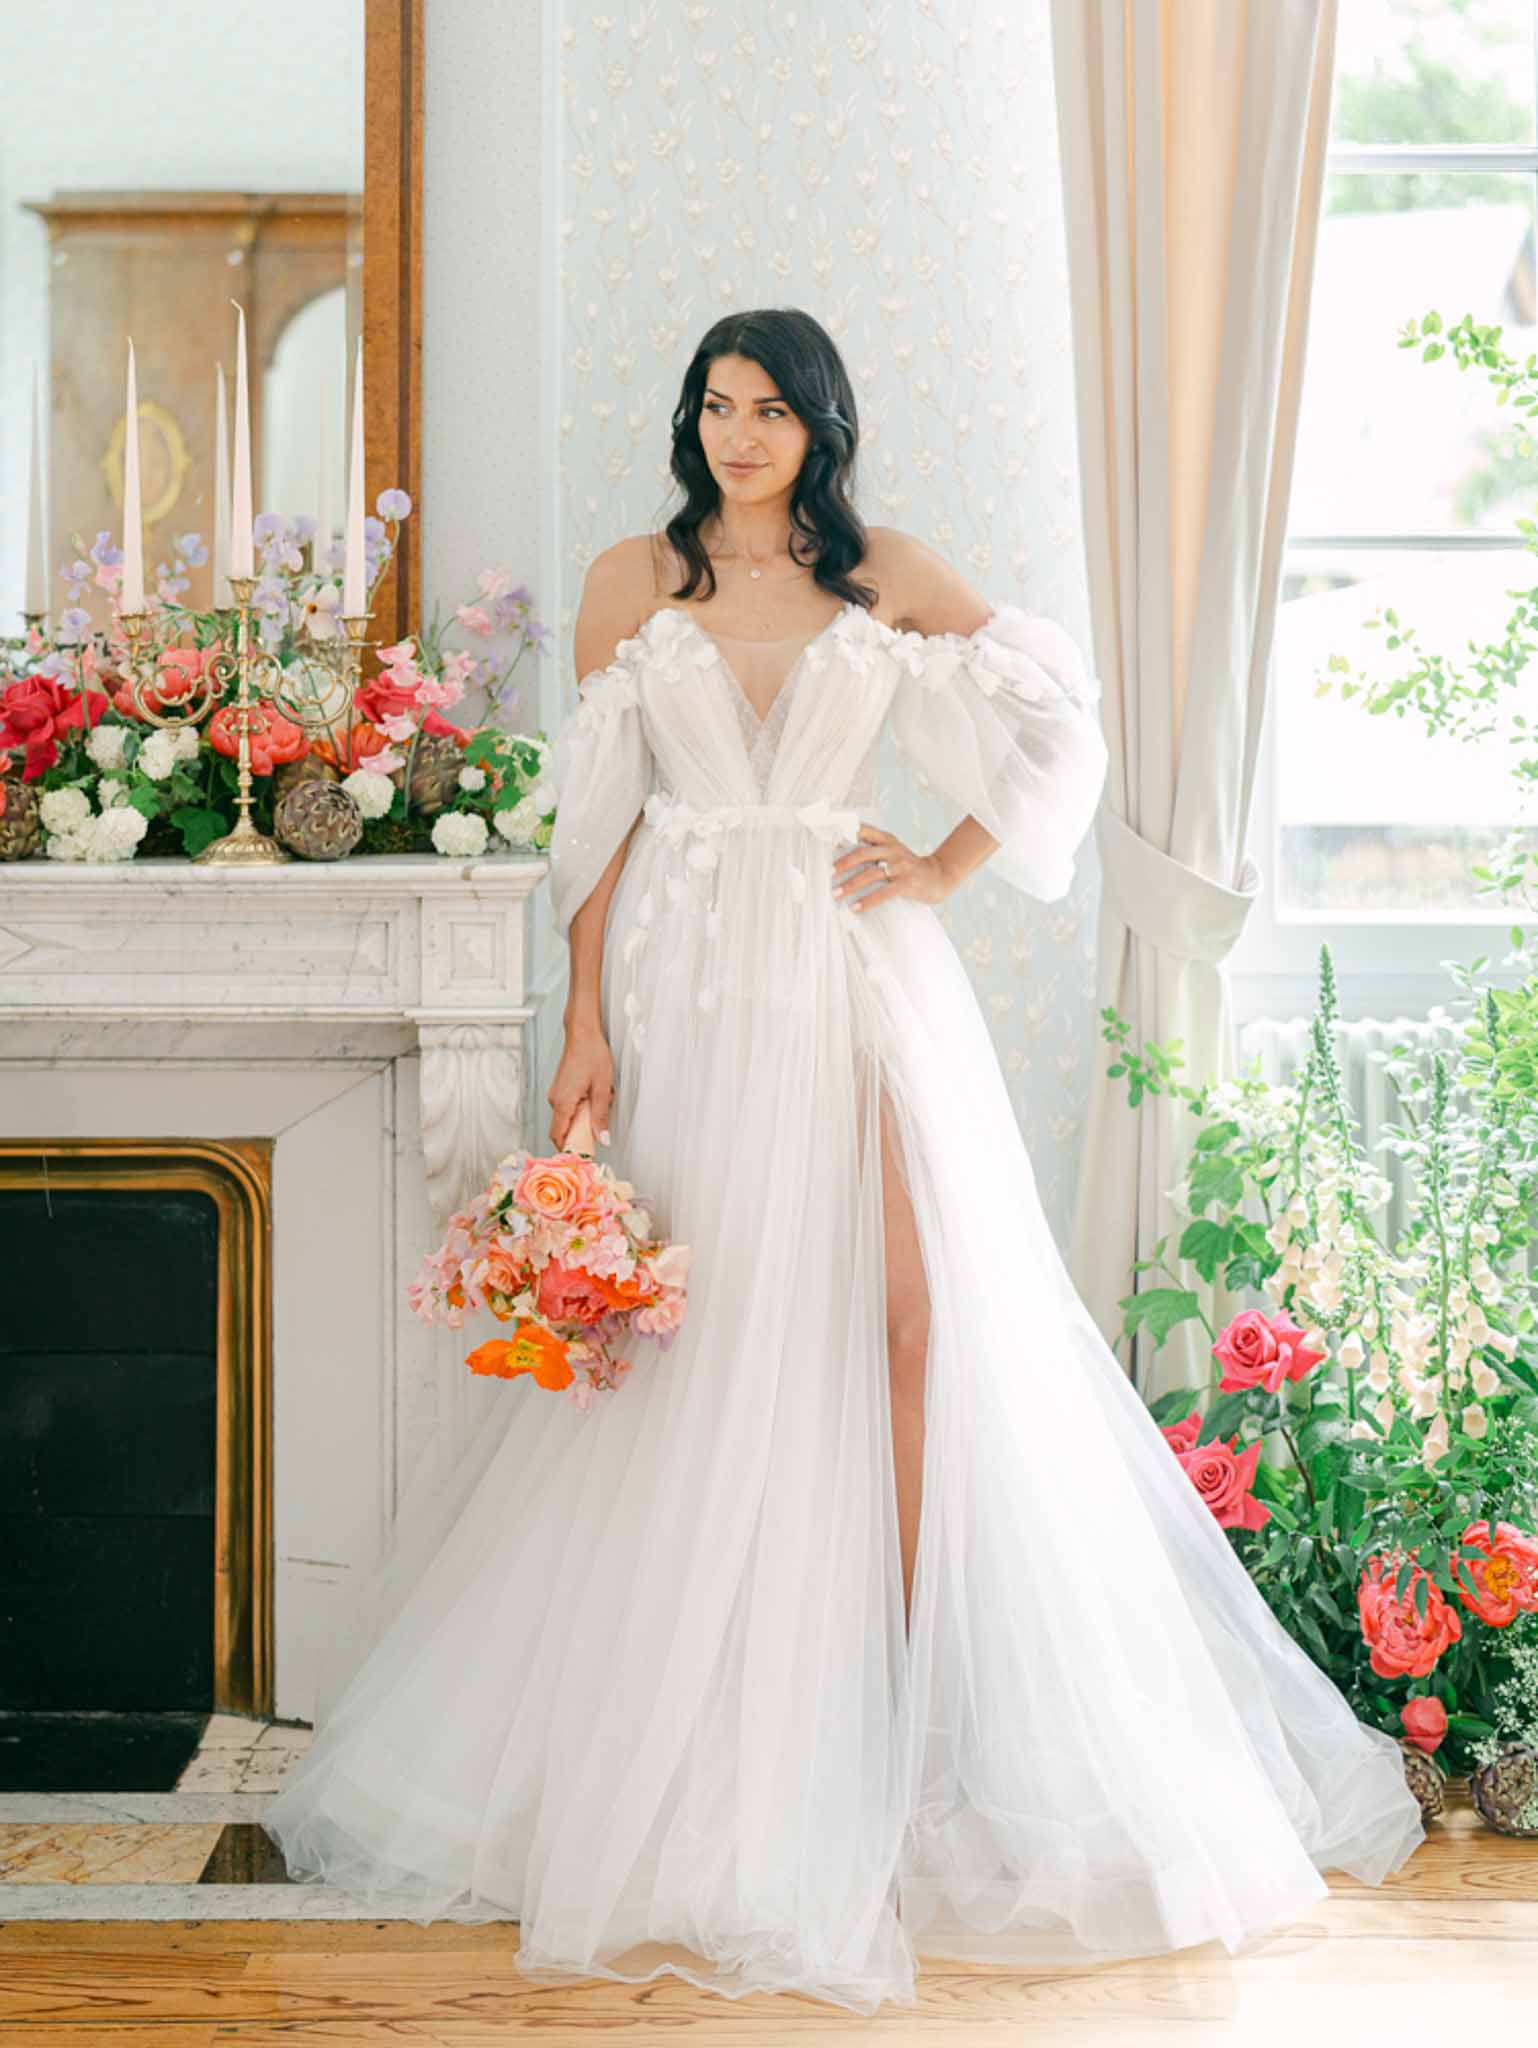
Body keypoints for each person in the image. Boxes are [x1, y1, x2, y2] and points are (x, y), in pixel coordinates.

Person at [262, 307, 1425, 2016]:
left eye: (768, 408)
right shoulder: (626, 581)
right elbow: (590, 829)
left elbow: (1061, 719)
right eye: (714, 407)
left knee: (909, 1314)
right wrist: (577, 1023)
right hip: (681, 977)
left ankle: (896, 1695)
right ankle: (701, 1722)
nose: (737, 435)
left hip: (855, 971)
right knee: (700, 1337)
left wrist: (950, 863)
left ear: (819, 423)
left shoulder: (883, 570)